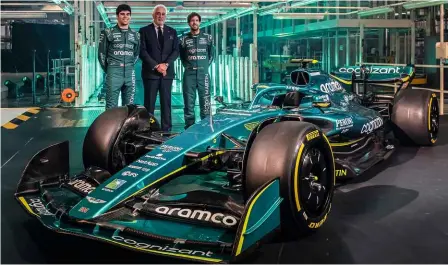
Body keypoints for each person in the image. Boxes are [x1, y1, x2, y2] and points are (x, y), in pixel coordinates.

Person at [139, 4, 179, 132]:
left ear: (165, 16)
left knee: (166, 104)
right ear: (153, 15)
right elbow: (142, 51)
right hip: (150, 74)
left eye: (163, 14)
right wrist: (156, 66)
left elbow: (176, 51)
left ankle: (166, 131)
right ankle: (147, 131)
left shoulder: (172, 31)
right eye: (158, 13)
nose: (160, 16)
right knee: (149, 104)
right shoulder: (144, 31)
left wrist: (165, 64)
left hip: (167, 74)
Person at [98, 4, 140, 109]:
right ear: (117, 16)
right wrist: (109, 70)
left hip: (130, 72)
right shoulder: (108, 32)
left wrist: (129, 65)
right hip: (114, 72)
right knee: (111, 106)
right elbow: (101, 55)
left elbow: (136, 54)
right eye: (122, 14)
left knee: (129, 107)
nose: (125, 16)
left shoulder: (136, 35)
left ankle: (126, 126)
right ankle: (111, 126)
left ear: (130, 16)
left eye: (128, 14)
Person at [179, 12, 214, 129]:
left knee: (205, 103)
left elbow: (211, 55)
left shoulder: (208, 38)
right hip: (189, 75)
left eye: (197, 20)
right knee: (189, 103)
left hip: (203, 74)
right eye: (192, 21)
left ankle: (206, 127)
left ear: (200, 22)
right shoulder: (183, 39)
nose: (194, 22)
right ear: (189, 23)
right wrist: (188, 67)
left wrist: (204, 67)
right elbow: (182, 57)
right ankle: (189, 127)